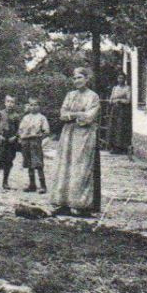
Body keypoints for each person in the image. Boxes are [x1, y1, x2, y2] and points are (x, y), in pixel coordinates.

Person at [49, 68, 101, 215]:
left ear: (86, 79)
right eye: (74, 78)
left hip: (84, 135)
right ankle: (63, 202)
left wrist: (73, 115)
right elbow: (62, 114)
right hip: (68, 133)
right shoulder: (70, 95)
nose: (77, 81)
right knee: (65, 165)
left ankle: (80, 204)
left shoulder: (93, 96)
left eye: (80, 77)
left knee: (81, 166)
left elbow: (89, 116)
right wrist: (76, 114)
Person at [0, 94, 23, 190]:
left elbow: (20, 129)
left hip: (11, 142)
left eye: (12, 102)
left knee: (8, 161)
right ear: (5, 102)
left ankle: (5, 182)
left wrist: (15, 137)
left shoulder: (16, 116)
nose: (10, 104)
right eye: (8, 101)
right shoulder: (0, 113)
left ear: (15, 104)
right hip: (1, 141)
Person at [17, 97, 50, 193]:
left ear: (39, 106)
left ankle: (43, 185)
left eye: (35, 105)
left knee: (38, 163)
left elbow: (46, 131)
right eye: (31, 105)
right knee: (29, 163)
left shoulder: (41, 117)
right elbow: (20, 129)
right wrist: (21, 137)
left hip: (35, 141)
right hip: (25, 142)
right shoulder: (25, 117)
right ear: (28, 106)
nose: (33, 107)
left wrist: (39, 139)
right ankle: (32, 185)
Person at [109, 73, 132, 154]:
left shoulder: (127, 88)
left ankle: (122, 148)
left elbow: (128, 100)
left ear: (125, 79)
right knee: (113, 127)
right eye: (119, 78)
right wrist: (116, 100)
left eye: (122, 78)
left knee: (121, 128)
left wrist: (120, 100)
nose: (120, 80)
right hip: (114, 109)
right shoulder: (115, 88)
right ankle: (114, 147)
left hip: (123, 110)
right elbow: (110, 100)